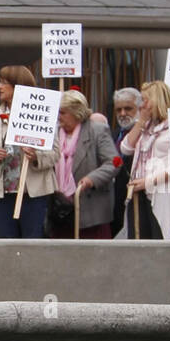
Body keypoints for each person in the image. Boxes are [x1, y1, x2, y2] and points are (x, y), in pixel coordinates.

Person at [0, 65, 56, 239]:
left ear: (18, 86)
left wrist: (36, 156)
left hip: (32, 192)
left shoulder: (42, 113)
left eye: (3, 83)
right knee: (6, 241)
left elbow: (55, 153)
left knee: (32, 240)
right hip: (2, 191)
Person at [48, 89, 119, 239]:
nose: (58, 117)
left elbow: (114, 162)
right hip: (59, 210)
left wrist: (92, 179)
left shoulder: (97, 131)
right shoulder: (53, 133)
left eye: (63, 112)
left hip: (89, 209)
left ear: (76, 113)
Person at [119, 80, 170, 239]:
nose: (142, 105)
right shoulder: (145, 126)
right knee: (139, 236)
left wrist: (148, 181)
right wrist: (140, 122)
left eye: (146, 100)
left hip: (162, 191)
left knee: (159, 236)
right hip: (139, 190)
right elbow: (125, 148)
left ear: (158, 100)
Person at [109, 87, 141, 236]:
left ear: (140, 108)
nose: (122, 114)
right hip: (114, 202)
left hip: (136, 197)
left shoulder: (145, 134)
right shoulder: (111, 134)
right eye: (118, 110)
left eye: (128, 109)